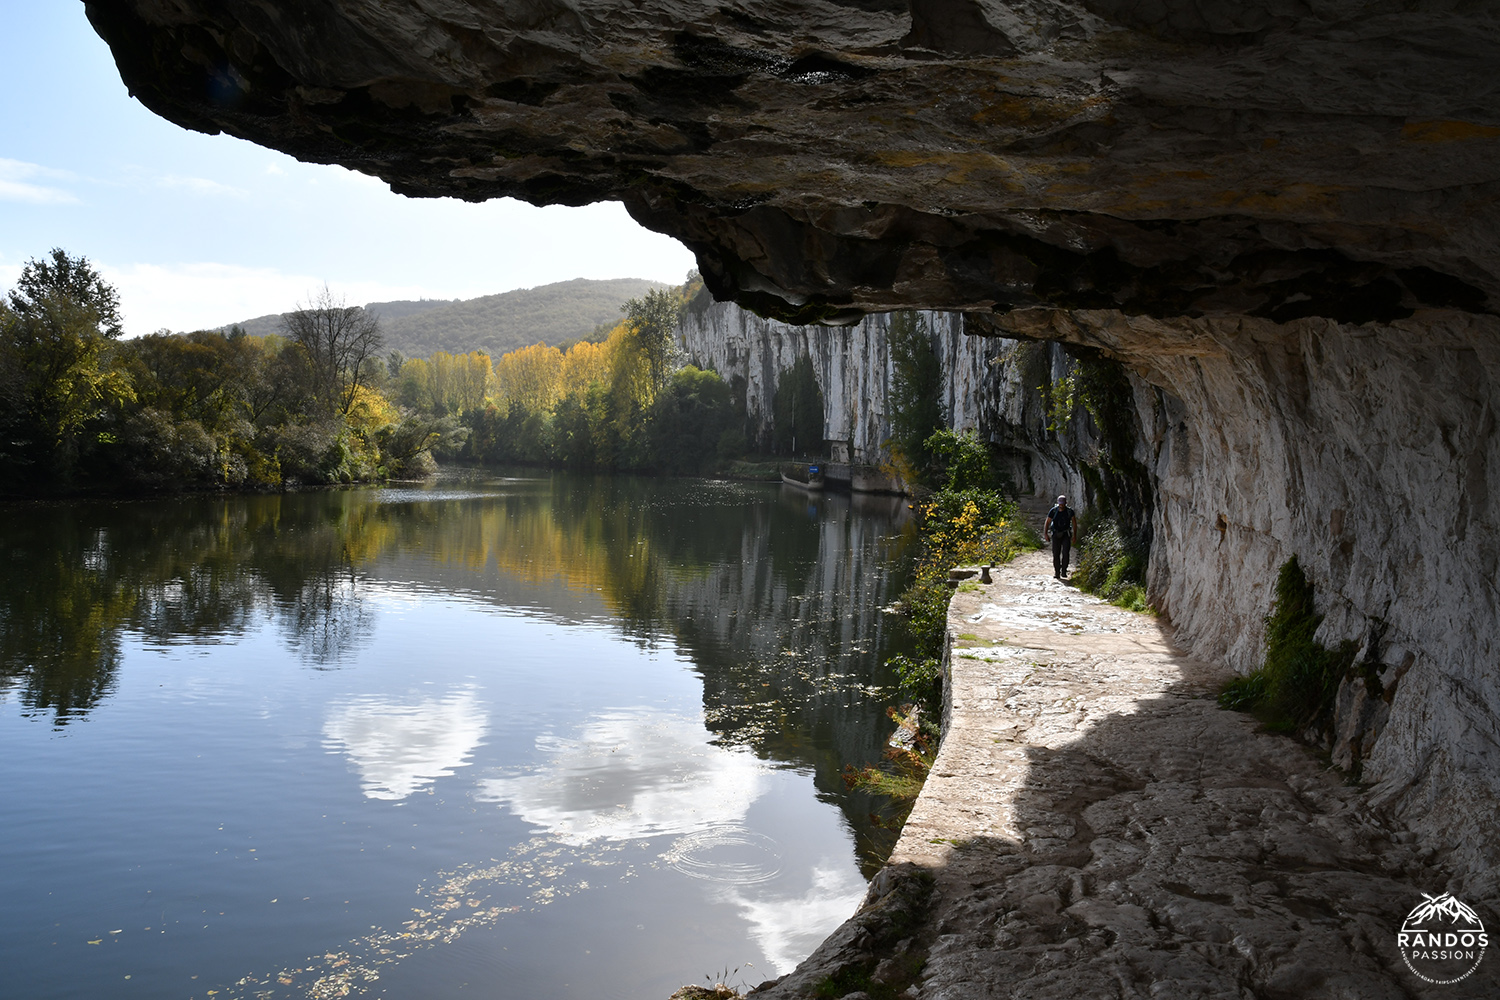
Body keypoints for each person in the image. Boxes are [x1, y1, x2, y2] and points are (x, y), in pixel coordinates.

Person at [1043, 495, 1075, 579]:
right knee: (1056, 554)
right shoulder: (1053, 511)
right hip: (1056, 534)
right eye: (1060, 504)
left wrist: (1074, 535)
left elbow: (1074, 523)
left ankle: (1064, 571)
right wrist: (1046, 534)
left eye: (1063, 504)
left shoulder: (1070, 511)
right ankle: (1057, 572)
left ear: (1065, 503)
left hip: (1066, 534)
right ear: (1058, 503)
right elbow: (1047, 522)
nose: (1061, 506)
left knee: (1065, 553)